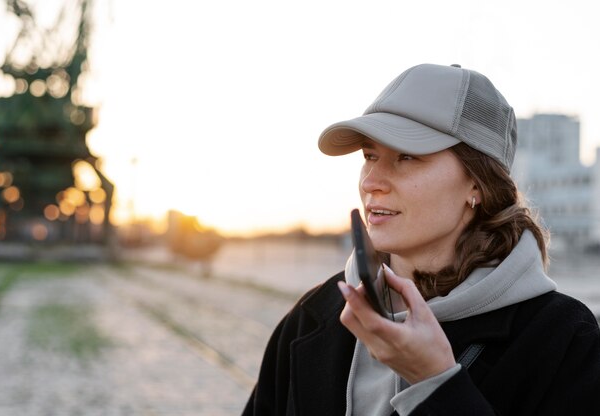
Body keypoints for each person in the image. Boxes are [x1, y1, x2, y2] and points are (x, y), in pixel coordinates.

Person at [242, 63, 600, 415]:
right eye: (369, 155)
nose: (371, 182)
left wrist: (436, 383)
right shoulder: (315, 315)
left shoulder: (563, 339)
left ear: (478, 183)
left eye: (408, 156)